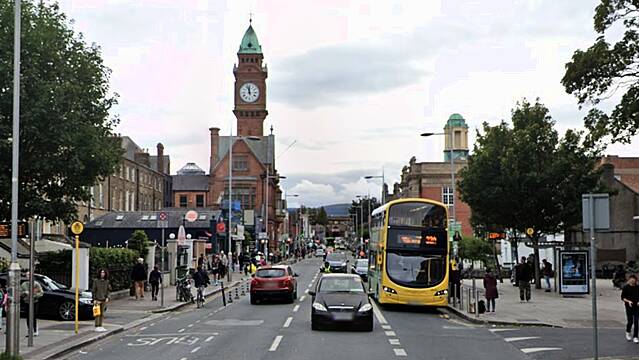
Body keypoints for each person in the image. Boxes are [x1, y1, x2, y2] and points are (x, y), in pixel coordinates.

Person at [21, 271, 43, 336]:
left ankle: (35, 330)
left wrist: (34, 295)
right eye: (27, 275)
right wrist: (24, 293)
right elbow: (20, 292)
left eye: (29, 275)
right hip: (27, 302)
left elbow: (41, 293)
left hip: (34, 302)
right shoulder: (24, 284)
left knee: (33, 316)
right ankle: (29, 330)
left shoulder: (36, 284)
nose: (28, 276)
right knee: (28, 317)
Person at [622, 274, 639, 343]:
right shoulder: (626, 287)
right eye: (631, 280)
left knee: (636, 322)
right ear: (629, 280)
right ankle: (628, 332)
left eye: (634, 280)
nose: (632, 281)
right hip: (629, 306)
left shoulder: (638, 287)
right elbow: (623, 297)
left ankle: (635, 336)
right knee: (630, 321)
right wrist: (628, 301)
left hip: (637, 307)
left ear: (636, 280)